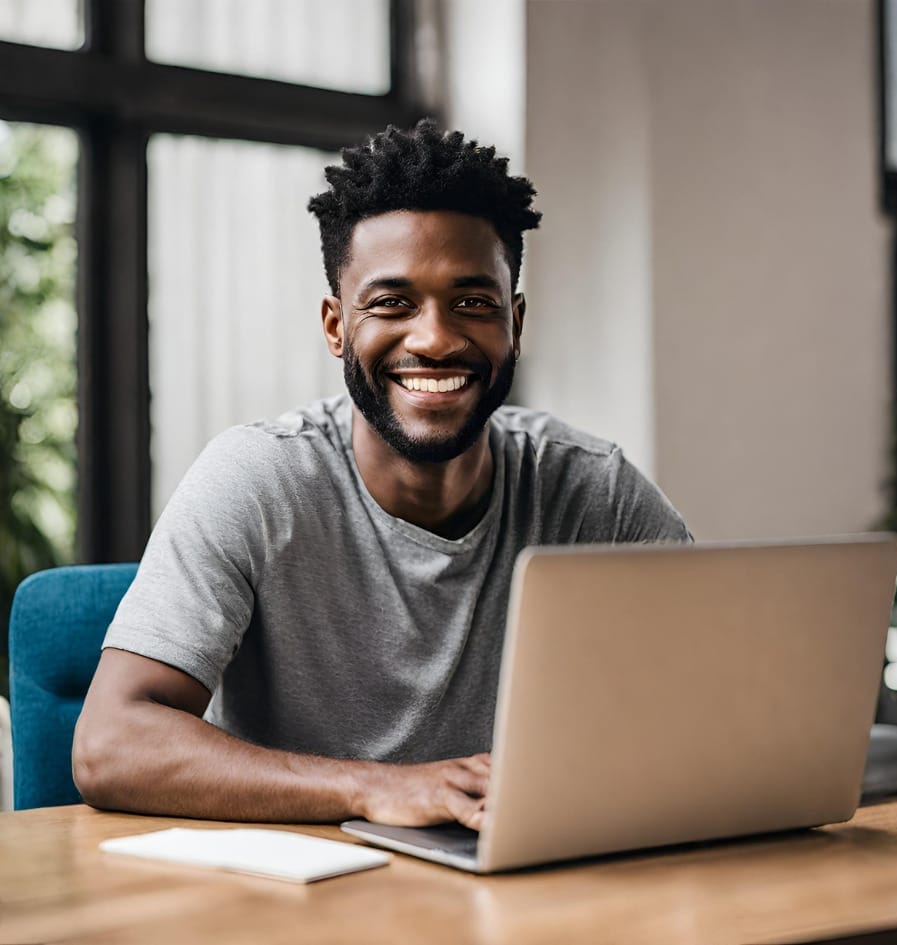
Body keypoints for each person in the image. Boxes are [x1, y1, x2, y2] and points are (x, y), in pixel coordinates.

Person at [73, 120, 690, 830]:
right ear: (336, 325)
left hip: (516, 887)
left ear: (514, 323)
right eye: (392, 302)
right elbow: (109, 744)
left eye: (473, 303)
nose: (434, 338)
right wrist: (372, 788)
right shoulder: (257, 478)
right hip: (294, 899)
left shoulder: (593, 490)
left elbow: (725, 697)